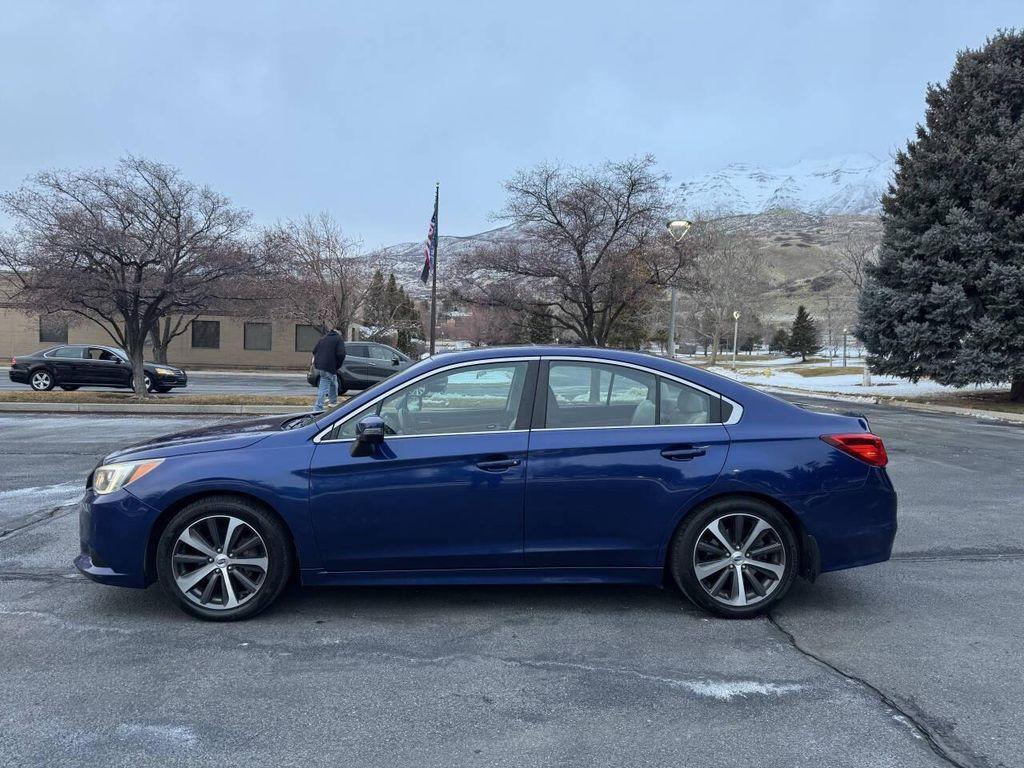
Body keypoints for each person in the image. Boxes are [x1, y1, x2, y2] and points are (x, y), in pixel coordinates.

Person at [311, 327, 346, 410]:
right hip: (329, 367)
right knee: (324, 387)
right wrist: (338, 365)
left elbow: (314, 351)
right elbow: (341, 354)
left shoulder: (323, 338)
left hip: (320, 366)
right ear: (339, 332)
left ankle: (333, 402)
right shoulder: (338, 339)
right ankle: (318, 407)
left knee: (334, 382)